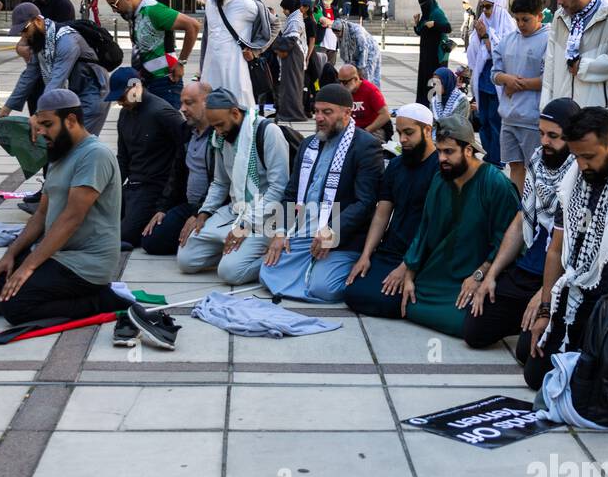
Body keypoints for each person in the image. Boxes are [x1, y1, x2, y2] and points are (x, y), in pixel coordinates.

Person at [519, 108, 608, 389]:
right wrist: (546, 310)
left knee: (589, 378)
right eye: (577, 157)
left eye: (589, 157)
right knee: (533, 367)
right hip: (577, 292)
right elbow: (556, 249)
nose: (582, 166)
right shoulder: (572, 178)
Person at [0, 89, 130, 326]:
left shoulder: (94, 155)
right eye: (39, 125)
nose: (41, 132)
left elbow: (71, 218)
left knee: (15, 308)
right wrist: (11, 255)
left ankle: (102, 300)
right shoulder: (59, 153)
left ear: (70, 121)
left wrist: (28, 267)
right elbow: (41, 214)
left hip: (86, 263)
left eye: (47, 125)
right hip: (59, 254)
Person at [462, 98, 577, 350]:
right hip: (527, 268)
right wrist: (491, 275)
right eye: (541, 134)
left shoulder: (581, 173)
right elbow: (520, 220)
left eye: (553, 136)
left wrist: (546, 298)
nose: (544, 141)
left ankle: (539, 316)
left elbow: (575, 247)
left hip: (559, 277)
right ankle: (522, 316)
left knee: (528, 351)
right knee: (474, 331)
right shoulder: (538, 160)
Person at [393, 114, 523, 338]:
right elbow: (425, 228)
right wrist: (410, 271)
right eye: (440, 151)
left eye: (449, 152)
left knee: (464, 322)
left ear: (468, 151)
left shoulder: (495, 183)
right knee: (406, 302)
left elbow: (507, 240)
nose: (441, 158)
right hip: (440, 271)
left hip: (477, 270)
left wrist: (480, 275)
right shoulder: (440, 179)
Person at [260, 83, 383, 303]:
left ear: (347, 112)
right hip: (305, 229)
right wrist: (280, 231)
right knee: (267, 269)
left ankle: (320, 270)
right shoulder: (309, 144)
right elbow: (291, 193)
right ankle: (305, 269)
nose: (318, 118)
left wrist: (332, 231)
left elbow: (364, 203)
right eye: (316, 111)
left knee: (324, 288)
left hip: (341, 235)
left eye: (327, 112)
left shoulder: (366, 147)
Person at [176, 87, 291, 284]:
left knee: (230, 273)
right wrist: (203, 213)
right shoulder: (219, 137)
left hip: (264, 215)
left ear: (235, 113)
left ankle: (277, 255)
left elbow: (278, 188)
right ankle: (236, 250)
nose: (218, 132)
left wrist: (246, 225)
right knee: (187, 259)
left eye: (221, 125)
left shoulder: (268, 132)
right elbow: (220, 182)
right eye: (214, 127)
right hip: (235, 210)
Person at [343, 104, 440, 319]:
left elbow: (436, 225)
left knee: (387, 302)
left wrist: (408, 266)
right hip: (391, 249)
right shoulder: (396, 165)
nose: (402, 139)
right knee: (353, 293)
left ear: (427, 130)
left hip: (421, 254)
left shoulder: (440, 169)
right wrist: (366, 255)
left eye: (408, 133)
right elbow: (382, 213)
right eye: (399, 133)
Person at [108, 67, 187, 249]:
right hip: (132, 186)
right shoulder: (124, 114)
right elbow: (123, 158)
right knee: (94, 220)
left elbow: (186, 150)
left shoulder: (162, 112)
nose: (120, 103)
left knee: (124, 235)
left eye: (121, 97)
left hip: (155, 188)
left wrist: (168, 200)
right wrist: (111, 189)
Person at [1, 2, 108, 135]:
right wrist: (6, 109)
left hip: (92, 92)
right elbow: (28, 76)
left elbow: (56, 80)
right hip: (74, 92)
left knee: (79, 144)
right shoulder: (41, 44)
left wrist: (38, 115)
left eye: (25, 29)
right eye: (20, 32)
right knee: (66, 146)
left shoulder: (66, 41)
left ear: (38, 21)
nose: (23, 36)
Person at [141, 81, 215, 256]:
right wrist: (163, 208)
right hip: (187, 204)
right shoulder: (186, 131)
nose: (182, 108)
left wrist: (200, 212)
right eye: (182, 103)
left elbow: (221, 183)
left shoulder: (219, 134)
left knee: (188, 256)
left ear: (207, 102)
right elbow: (176, 173)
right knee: (150, 241)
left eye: (189, 103)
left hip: (212, 207)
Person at [103, 0, 199, 110]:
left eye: (114, 4)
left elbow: (193, 25)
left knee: (165, 127)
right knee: (138, 124)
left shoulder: (153, 10)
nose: (114, 9)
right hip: (143, 82)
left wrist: (181, 62)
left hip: (165, 83)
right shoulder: (134, 14)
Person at [492, 0, 549, 192]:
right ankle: (516, 206)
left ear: (540, 16)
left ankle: (532, 210)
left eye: (526, 19)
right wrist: (506, 79)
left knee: (535, 169)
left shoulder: (549, 40)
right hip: (508, 117)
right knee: (515, 166)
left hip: (533, 119)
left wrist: (517, 83)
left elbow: (549, 80)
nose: (521, 24)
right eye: (517, 19)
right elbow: (495, 73)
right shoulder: (508, 39)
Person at [541, 0, 608, 110]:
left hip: (596, 111)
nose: (559, 1)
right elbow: (550, 63)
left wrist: (583, 67)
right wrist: (545, 106)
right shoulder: (559, 17)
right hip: (562, 110)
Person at [199, 0, 274, 111]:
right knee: (210, 114)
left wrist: (255, 51)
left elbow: (275, 24)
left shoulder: (247, 5)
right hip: (211, 72)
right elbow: (207, 38)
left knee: (240, 113)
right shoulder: (209, 4)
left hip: (236, 72)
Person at [468, 0, 518, 167]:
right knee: (484, 120)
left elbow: (501, 54)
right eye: (482, 7)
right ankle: (489, 154)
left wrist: (485, 36)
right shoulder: (482, 23)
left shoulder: (509, 26)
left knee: (496, 121)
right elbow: (473, 53)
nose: (485, 11)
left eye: (488, 7)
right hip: (483, 81)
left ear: (497, 6)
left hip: (498, 82)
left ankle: (497, 159)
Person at [272, 0, 309, 122]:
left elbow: (291, 40)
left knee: (292, 84)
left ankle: (293, 114)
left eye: (284, 9)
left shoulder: (295, 21)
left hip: (294, 55)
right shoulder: (294, 18)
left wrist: (275, 44)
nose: (283, 11)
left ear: (290, 8)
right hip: (291, 55)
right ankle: (287, 112)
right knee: (288, 84)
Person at [413, 0, 452, 107]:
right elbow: (420, 32)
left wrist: (435, 24)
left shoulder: (437, 13)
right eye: (421, 3)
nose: (423, 5)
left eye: (425, 3)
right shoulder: (425, 15)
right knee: (424, 79)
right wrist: (416, 23)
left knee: (434, 80)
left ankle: (435, 106)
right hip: (425, 54)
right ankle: (423, 104)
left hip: (435, 54)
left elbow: (447, 28)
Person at [337, 63, 391, 141]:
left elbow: (385, 114)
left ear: (355, 79)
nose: (342, 85)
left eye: (345, 82)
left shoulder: (370, 90)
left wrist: (366, 131)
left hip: (371, 129)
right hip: (351, 129)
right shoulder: (342, 92)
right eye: (340, 81)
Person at [334, 16, 382, 87]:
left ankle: (370, 93)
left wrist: (360, 67)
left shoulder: (357, 32)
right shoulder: (341, 33)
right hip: (356, 54)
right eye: (335, 34)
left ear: (342, 29)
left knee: (367, 76)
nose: (337, 35)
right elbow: (345, 54)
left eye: (338, 33)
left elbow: (363, 49)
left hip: (370, 51)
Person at [315, 0, 340, 65]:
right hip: (320, 44)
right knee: (319, 68)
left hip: (333, 44)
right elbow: (323, 21)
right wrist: (332, 23)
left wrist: (329, 24)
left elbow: (339, 25)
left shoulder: (335, 9)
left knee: (330, 69)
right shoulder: (317, 8)